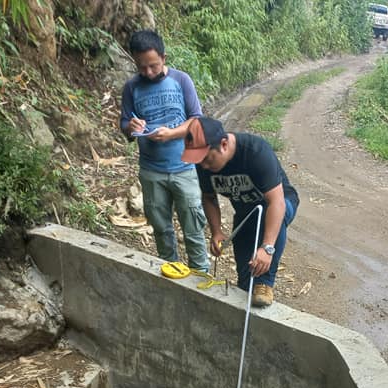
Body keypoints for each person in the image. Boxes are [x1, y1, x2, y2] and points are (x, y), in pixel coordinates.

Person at [181, 116, 299, 308]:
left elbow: (276, 202)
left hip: (280, 203)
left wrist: (267, 248)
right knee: (245, 273)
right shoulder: (204, 164)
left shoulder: (256, 153)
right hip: (246, 212)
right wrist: (216, 231)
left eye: (207, 159)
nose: (204, 166)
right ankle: (247, 290)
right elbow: (209, 197)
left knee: (274, 223)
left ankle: (264, 284)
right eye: (200, 161)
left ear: (224, 144)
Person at [119, 29, 208, 272]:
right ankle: (172, 274)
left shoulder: (181, 80)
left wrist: (172, 133)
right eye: (142, 67)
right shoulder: (131, 87)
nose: (148, 72)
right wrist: (131, 126)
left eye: (153, 66)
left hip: (184, 168)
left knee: (193, 229)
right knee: (162, 230)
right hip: (151, 172)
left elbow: (196, 120)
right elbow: (125, 125)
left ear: (164, 58)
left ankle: (201, 278)